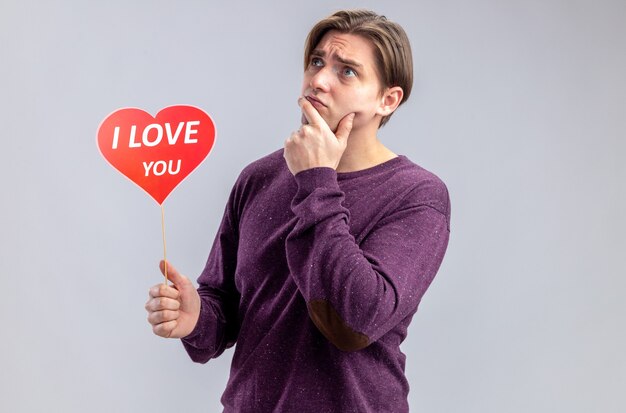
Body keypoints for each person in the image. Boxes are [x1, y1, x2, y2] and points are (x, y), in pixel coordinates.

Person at [145, 9, 450, 412]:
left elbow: (355, 321)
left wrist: (317, 180)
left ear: (387, 99)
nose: (318, 80)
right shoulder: (258, 178)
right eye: (317, 62)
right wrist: (197, 317)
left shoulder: (417, 195)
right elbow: (225, 304)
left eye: (347, 72)